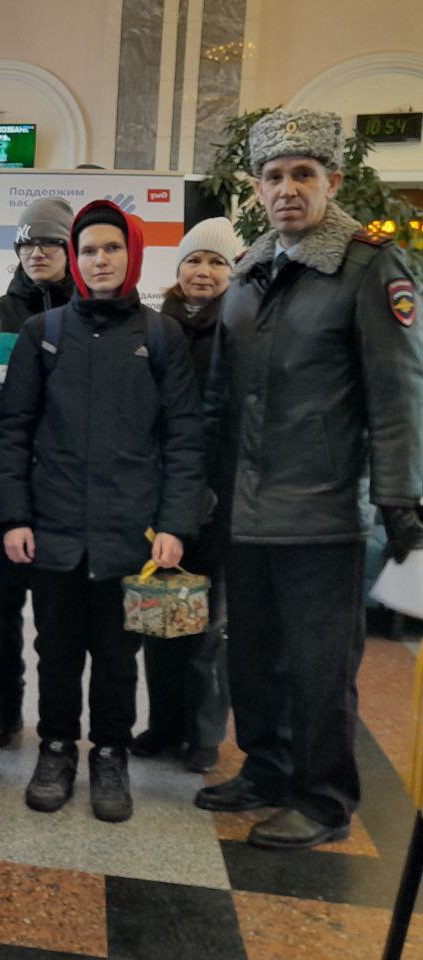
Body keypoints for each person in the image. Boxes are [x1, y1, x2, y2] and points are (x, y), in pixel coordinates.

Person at [197, 110, 423, 849]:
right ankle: (265, 770)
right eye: (274, 176)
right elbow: (220, 393)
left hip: (324, 511)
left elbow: (399, 394)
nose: (287, 189)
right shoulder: (250, 269)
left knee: (322, 667)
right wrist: (203, 486)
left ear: (333, 181)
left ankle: (324, 800)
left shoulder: (369, 268)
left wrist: (400, 499)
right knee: (252, 653)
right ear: (258, 188)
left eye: (303, 174)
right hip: (245, 505)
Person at [0, 199, 203, 823]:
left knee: (117, 658)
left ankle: (110, 753)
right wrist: (15, 516)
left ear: (131, 255)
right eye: (88, 250)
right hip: (53, 528)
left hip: (131, 534)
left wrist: (175, 524)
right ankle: (56, 748)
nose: (99, 260)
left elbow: (183, 438)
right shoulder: (44, 332)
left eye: (112, 248)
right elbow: (14, 430)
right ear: (75, 260)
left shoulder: (161, 336)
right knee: (56, 651)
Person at [130, 216, 239, 774]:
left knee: (204, 625)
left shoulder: (241, 326)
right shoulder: (157, 326)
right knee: (160, 616)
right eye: (194, 260)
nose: (204, 271)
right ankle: (164, 724)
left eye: (217, 262)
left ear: (232, 272)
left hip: (218, 496)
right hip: (161, 495)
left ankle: (203, 734)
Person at [0, 196, 75, 751]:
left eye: (51, 243)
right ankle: (6, 707)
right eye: (28, 243)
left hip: (64, 488)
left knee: (60, 617)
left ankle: (59, 722)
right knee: (6, 609)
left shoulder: (87, 312)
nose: (38, 252)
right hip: (7, 482)